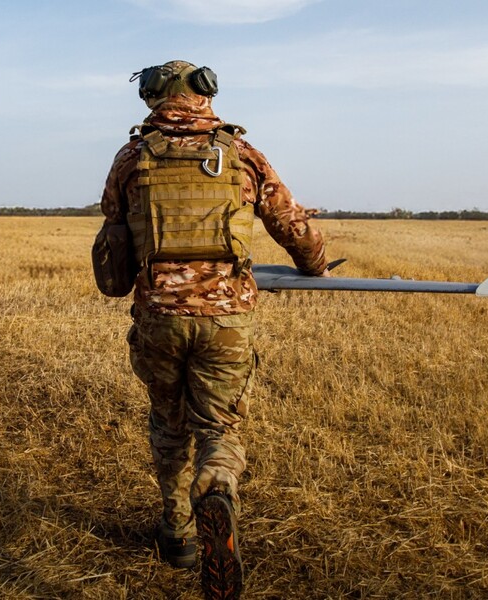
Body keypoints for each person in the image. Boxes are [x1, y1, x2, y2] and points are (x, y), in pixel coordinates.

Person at [97, 60, 328, 599]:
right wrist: (314, 264)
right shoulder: (241, 154)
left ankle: (177, 534)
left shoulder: (133, 156)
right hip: (226, 319)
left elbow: (112, 232)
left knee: (168, 421)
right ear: (204, 95)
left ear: (153, 96)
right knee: (219, 427)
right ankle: (218, 484)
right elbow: (292, 225)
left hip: (159, 318)